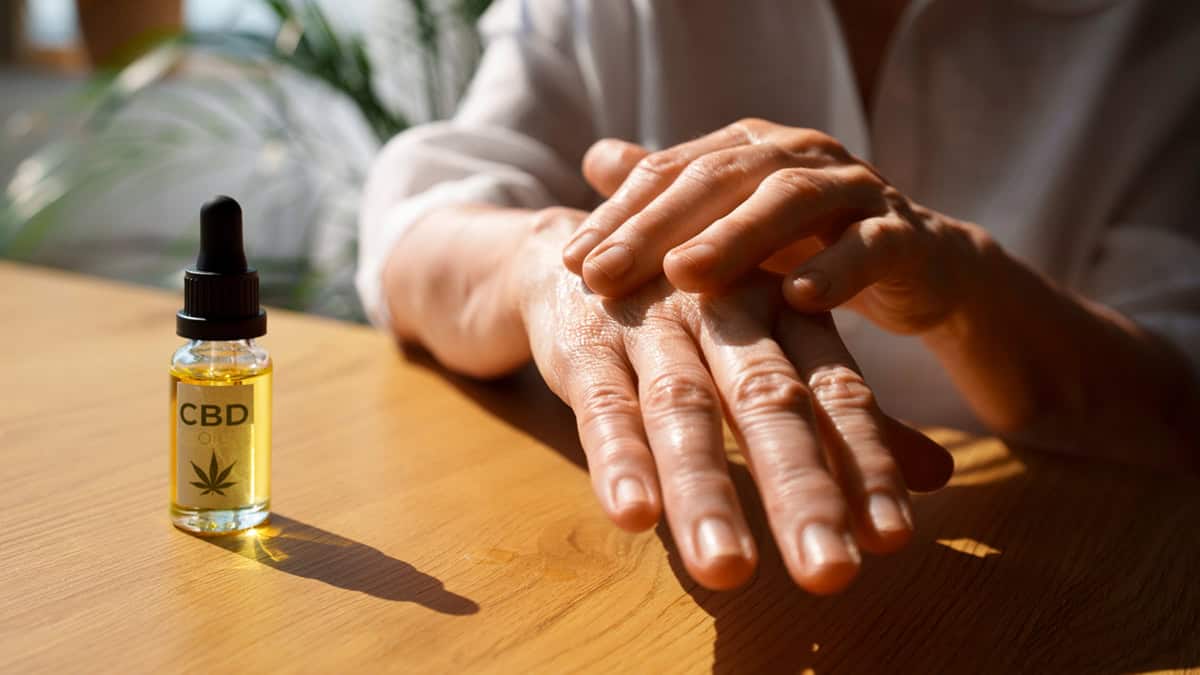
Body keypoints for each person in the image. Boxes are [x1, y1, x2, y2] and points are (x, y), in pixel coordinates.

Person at [356, 0, 1200, 593]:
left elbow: (1180, 396)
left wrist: (968, 287)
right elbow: (413, 224)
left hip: (1057, 595)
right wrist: (555, 264)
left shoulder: (1158, 29)